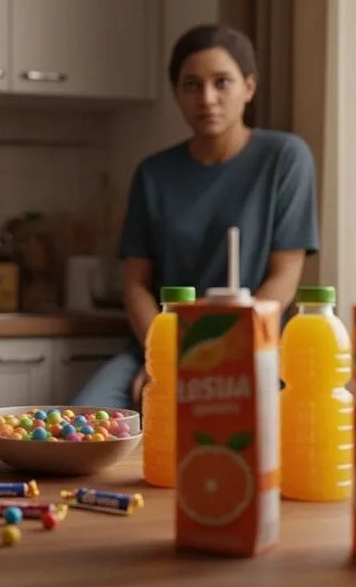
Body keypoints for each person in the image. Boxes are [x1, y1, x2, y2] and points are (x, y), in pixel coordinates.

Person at [71, 22, 319, 412]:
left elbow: (285, 276)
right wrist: (166, 355)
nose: (207, 98)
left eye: (222, 82)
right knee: (88, 420)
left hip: (252, 345)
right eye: (191, 85)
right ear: (176, 94)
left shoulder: (285, 158)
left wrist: (214, 356)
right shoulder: (153, 173)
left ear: (248, 87)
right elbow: (136, 285)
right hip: (160, 344)